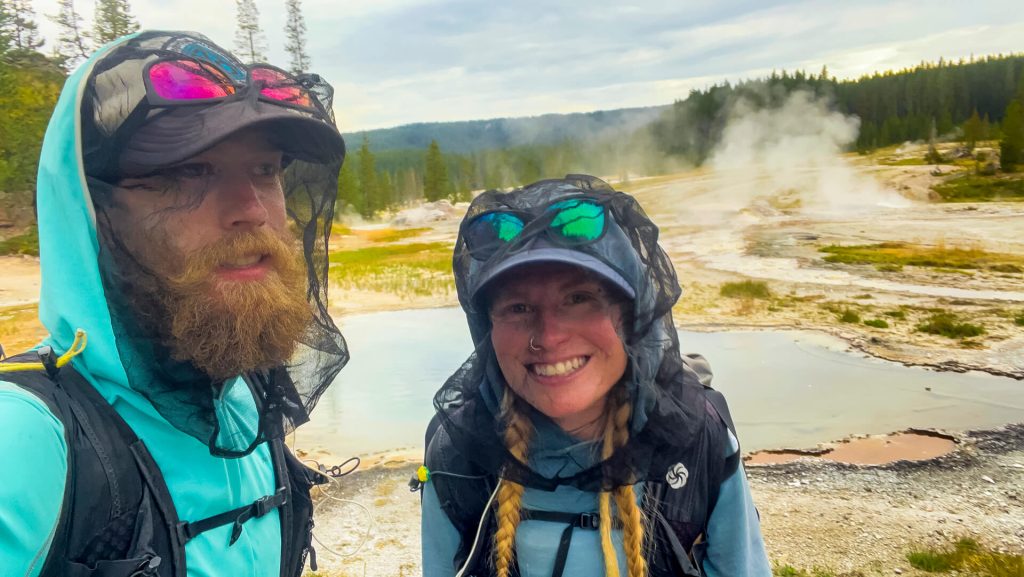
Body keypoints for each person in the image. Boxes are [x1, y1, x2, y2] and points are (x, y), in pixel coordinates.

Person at [0, 31, 348, 576]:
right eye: (189, 171)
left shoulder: (244, 392)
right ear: (96, 212)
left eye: (266, 170)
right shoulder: (24, 435)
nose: (251, 210)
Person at [420, 175, 771, 577]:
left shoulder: (698, 441)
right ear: (487, 330)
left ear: (631, 317)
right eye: (517, 308)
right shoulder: (458, 455)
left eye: (578, 299)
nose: (548, 337)